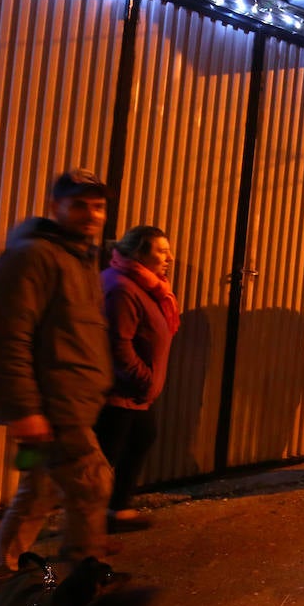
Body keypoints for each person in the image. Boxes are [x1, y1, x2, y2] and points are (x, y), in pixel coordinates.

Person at [0, 169, 126, 606]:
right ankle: (80, 591)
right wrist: (25, 410)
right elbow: (3, 338)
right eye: (79, 204)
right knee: (93, 483)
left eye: (98, 206)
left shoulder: (78, 258)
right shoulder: (34, 257)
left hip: (70, 404)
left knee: (37, 491)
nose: (90, 214)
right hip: (51, 408)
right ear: (56, 207)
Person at [94, 225, 179, 533]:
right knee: (106, 456)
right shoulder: (122, 288)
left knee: (142, 437)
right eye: (161, 251)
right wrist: (144, 379)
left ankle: (116, 509)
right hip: (121, 391)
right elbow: (118, 344)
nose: (169, 257)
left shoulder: (148, 285)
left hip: (138, 391)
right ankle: (92, 525)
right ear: (140, 253)